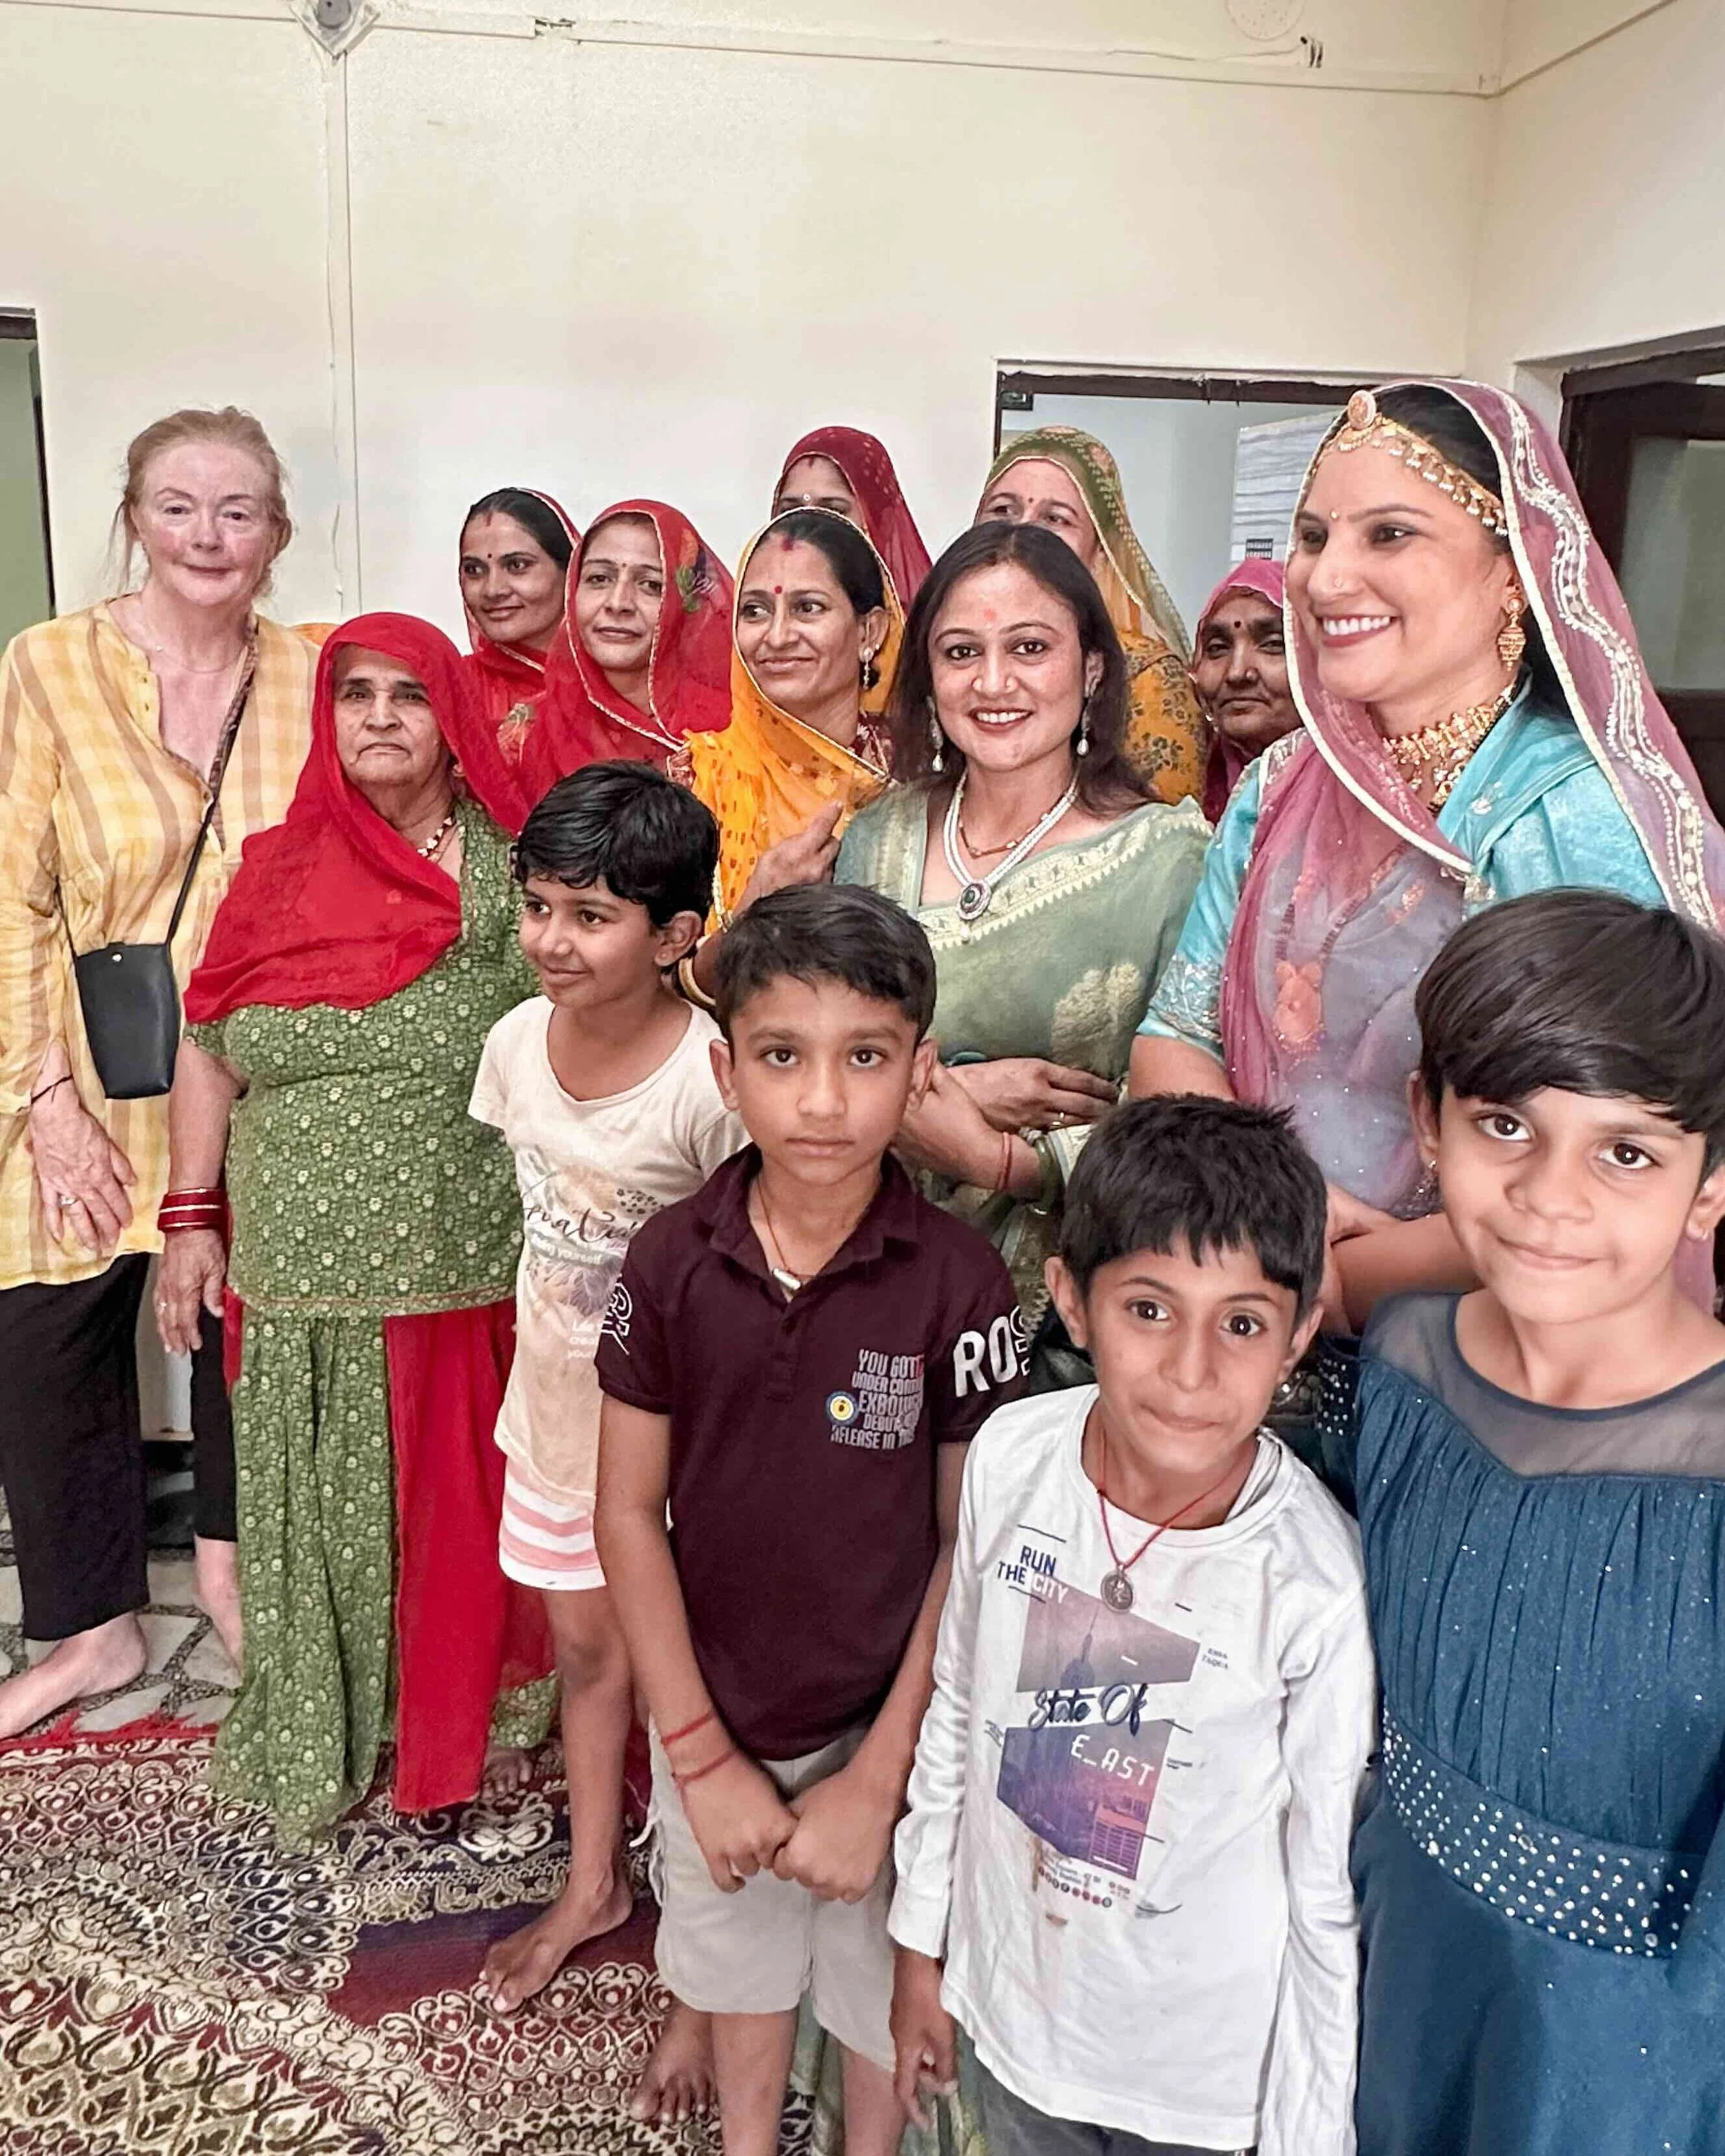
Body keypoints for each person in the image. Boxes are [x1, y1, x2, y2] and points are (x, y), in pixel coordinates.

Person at [1132, 380, 1725, 1332]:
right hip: (1247, 1293)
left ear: (1511, 571)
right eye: (1316, 536)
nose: (1326, 581)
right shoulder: (1283, 782)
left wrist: (1341, 1284)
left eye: (1389, 536)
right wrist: (1277, 1216)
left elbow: (1619, 1172)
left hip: (1486, 1352)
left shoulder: (1583, 819)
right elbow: (1173, 1038)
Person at [594, 884, 1028, 2156]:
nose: (825, 1102)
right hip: (715, 1719)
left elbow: (972, 1542)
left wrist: (881, 1777)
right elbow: (627, 1513)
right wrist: (700, 1755)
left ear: (921, 1072)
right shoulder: (671, 1261)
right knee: (739, 1986)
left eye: (866, 1060)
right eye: (784, 1058)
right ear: (729, 1072)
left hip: (883, 1736)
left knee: (873, 2003)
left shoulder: (959, 1280)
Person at [891, 1096, 1374, 2156]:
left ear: (1298, 1333)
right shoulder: (1015, 1459)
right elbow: (960, 1699)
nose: (1191, 1371)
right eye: (1149, 1309)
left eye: (1241, 1323)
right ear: (1069, 1299)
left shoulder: (1311, 1583)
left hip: (1202, 2088)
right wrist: (923, 1948)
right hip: (1016, 2020)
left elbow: (1322, 1888)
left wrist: (1308, 2134)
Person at [157, 614, 550, 1843]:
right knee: (313, 1501)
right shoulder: (273, 869)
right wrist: (188, 1218)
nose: (379, 717)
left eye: (409, 695)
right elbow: (209, 1046)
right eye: (355, 695)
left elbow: (588, 1013)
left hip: (452, 1256)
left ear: (454, 717)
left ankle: (451, 1726)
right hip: (293, 1270)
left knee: (447, 1503)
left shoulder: (505, 865)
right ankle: (329, 1713)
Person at [1348, 890, 1725, 2155]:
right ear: (1429, 1127)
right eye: (1505, 1125)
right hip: (1389, 1982)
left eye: (1627, 1152)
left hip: (1634, 2075)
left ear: (1712, 1184)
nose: (1550, 1198)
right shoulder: (1400, 1370)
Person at [0, 406, 315, 1739]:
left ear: (277, 535)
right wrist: (43, 1101)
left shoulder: (315, 670)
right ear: (133, 517)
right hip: (86, 1066)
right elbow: (11, 893)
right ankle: (93, 1627)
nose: (208, 534)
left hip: (251, 1074)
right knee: (46, 1328)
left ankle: (245, 1598)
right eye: (179, 505)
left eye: (238, 510)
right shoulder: (49, 667)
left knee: (252, 1321)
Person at [470, 764, 744, 2126]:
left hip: (680, 1447)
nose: (554, 938)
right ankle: (595, 1877)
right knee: (586, 1652)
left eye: (590, 913)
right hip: (555, 1418)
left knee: (693, 1690)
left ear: (679, 930)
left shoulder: (710, 1076)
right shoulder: (518, 1040)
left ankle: (704, 1975)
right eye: (538, 906)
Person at [836, 520, 1208, 1329]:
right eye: (961, 652)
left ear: (1093, 667)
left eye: (1030, 648)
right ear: (928, 678)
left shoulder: (1167, 859)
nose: (993, 682)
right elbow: (819, 1048)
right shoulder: (874, 836)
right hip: (867, 1280)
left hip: (1072, 1310)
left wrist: (999, 1160)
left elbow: (1188, 1128)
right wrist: (946, 1093)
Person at [678, 506, 901, 924]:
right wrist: (757, 906)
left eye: (808, 608)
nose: (777, 636)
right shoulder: (695, 782)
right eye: (756, 611)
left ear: (870, 632)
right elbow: (657, 971)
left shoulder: (916, 775)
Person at [976, 425, 1208, 806]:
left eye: (1056, 519)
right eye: (1003, 510)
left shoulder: (1146, 676)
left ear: (1100, 553)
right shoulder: (947, 652)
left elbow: (1167, 846)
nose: (1023, 530)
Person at [518, 501, 732, 797]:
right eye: (599, 579)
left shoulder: (734, 725)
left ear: (686, 602)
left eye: (651, 585)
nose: (618, 603)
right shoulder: (530, 732)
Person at [459, 487, 580, 764]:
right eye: (474, 570)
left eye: (517, 566)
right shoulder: (455, 688)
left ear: (570, 571)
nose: (493, 590)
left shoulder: (620, 684)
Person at [773, 425, 932, 608]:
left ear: (884, 523)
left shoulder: (917, 630)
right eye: (791, 511)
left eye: (833, 511)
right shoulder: (753, 620)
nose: (807, 525)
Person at [1191, 558, 1299, 824]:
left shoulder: (1358, 797)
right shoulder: (1184, 789)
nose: (1237, 672)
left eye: (1272, 645)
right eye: (1217, 648)